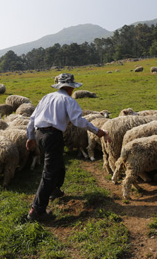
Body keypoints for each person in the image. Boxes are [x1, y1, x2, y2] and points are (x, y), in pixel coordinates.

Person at [26, 73, 111, 221]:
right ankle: (37, 210)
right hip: (53, 136)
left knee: (57, 163)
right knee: (49, 172)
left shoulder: (47, 97)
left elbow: (32, 118)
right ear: (71, 87)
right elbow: (78, 121)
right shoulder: (68, 100)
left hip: (40, 134)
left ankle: (54, 189)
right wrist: (98, 131)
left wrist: (31, 137)